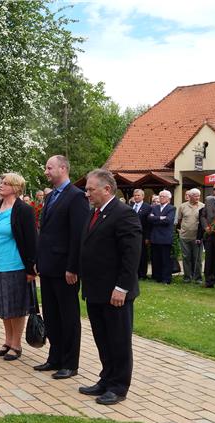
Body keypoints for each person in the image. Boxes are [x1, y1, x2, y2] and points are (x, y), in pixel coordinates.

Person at [79, 169, 141, 405]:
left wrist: (122, 288)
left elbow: (131, 255)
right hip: (95, 289)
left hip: (115, 292)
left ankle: (118, 386)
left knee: (118, 339)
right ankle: (106, 378)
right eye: (86, 189)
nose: (87, 194)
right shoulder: (94, 213)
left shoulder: (123, 214)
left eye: (90, 189)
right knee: (102, 338)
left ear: (107, 189)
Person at [34, 155, 89, 379]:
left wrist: (73, 267)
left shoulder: (76, 197)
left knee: (68, 317)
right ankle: (54, 357)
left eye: (49, 167)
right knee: (52, 314)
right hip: (48, 266)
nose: (46, 171)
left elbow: (78, 235)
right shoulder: (52, 196)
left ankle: (70, 362)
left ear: (63, 168)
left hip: (65, 269)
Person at [0, 173, 37, 361]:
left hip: (15, 265)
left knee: (16, 306)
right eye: (1, 182)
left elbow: (31, 241)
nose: (1, 185)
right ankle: (7, 341)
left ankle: (16, 344)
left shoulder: (24, 210)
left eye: (5, 183)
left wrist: (31, 269)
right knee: (2, 306)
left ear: (15, 188)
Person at [148, 190, 176, 284]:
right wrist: (160, 217)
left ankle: (166, 278)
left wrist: (156, 218)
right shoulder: (155, 207)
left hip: (165, 238)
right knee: (156, 259)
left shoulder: (171, 208)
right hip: (155, 237)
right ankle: (157, 277)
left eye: (163, 196)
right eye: (160, 196)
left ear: (168, 198)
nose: (161, 198)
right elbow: (150, 219)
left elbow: (168, 220)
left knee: (166, 259)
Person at [177, 188, 204, 283]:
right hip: (185, 236)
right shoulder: (182, 206)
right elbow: (179, 220)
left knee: (198, 258)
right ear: (190, 196)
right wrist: (182, 230)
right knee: (186, 257)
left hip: (197, 237)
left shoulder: (203, 206)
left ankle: (198, 278)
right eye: (195, 195)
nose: (198, 197)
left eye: (198, 195)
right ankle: (187, 277)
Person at [201, 181, 215, 287]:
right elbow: (203, 215)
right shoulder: (209, 200)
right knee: (209, 258)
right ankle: (209, 281)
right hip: (209, 234)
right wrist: (206, 227)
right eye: (214, 189)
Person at [131, 188, 152, 279]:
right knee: (132, 254)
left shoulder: (147, 207)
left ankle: (142, 274)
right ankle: (133, 273)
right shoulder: (130, 206)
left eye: (138, 195)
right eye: (135, 195)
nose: (136, 197)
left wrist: (147, 237)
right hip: (131, 235)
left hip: (142, 235)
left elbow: (149, 224)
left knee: (142, 255)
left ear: (143, 196)